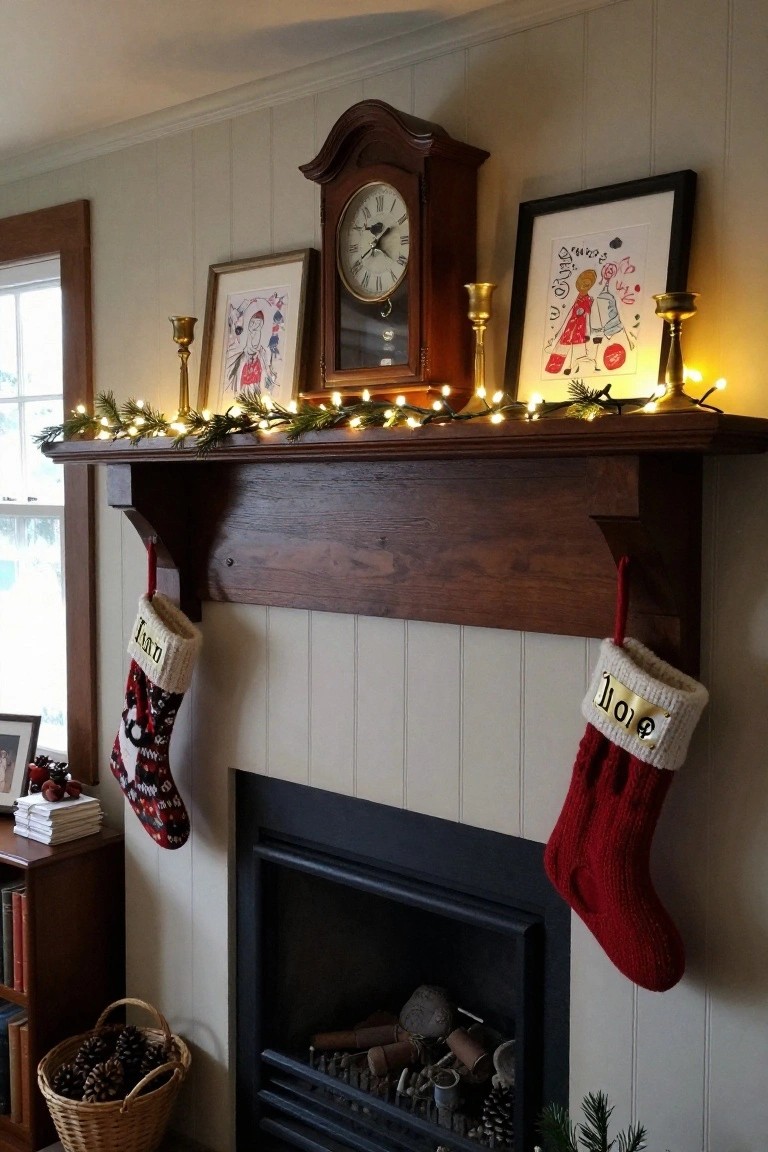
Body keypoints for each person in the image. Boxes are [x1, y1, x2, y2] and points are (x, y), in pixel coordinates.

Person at [545, 267, 597, 375]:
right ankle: (553, 369)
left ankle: (575, 370)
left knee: (579, 353)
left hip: (580, 331)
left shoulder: (587, 301)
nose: (585, 285)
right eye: (584, 283)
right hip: (569, 328)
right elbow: (568, 314)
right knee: (561, 349)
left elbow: (587, 318)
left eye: (588, 284)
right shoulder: (574, 298)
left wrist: (587, 333)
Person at [226, 309, 268, 393]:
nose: (254, 325)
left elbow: (254, 347)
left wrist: (253, 354)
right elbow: (247, 346)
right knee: (242, 374)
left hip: (253, 357)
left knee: (253, 379)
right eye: (252, 322)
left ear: (260, 325)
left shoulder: (257, 333)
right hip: (247, 356)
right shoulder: (250, 333)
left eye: (257, 323)